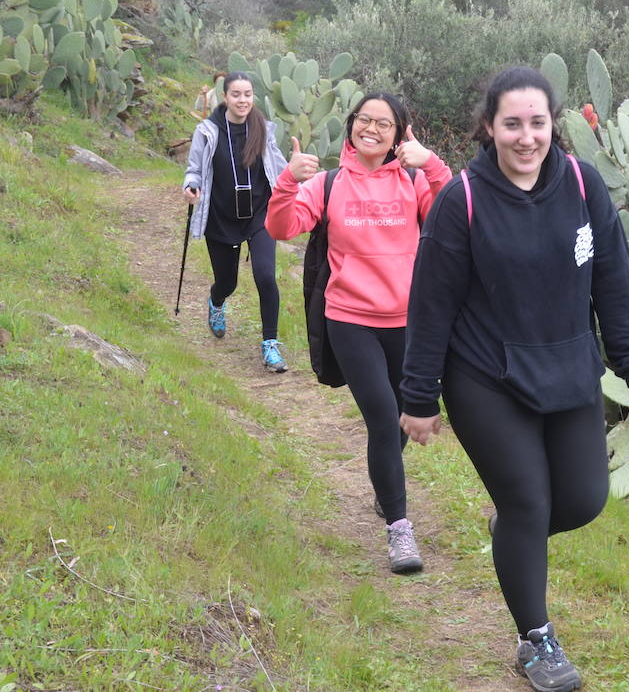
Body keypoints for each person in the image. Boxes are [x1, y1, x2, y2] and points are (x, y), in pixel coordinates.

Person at [398, 66, 629, 692]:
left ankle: (510, 530)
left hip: (567, 365)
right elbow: (430, 305)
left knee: (583, 498)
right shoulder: (462, 200)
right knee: (528, 500)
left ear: (552, 125)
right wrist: (418, 397)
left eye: (537, 123)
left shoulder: (581, 183)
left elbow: (614, 283)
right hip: (485, 375)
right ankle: (536, 642)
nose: (525, 137)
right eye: (511, 123)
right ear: (489, 127)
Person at [265, 92, 451, 574]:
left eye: (383, 123)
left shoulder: (412, 181)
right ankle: (399, 529)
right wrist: (288, 181)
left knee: (404, 419)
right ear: (350, 126)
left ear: (399, 134)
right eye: (364, 119)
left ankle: (385, 490)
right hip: (349, 319)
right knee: (385, 420)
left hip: (409, 322)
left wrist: (431, 164)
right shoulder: (327, 184)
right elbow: (282, 227)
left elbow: (454, 215)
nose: (371, 128)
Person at [182, 72, 290, 372]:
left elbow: (280, 169)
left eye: (248, 94)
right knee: (227, 282)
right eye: (236, 94)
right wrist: (191, 187)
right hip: (221, 216)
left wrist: (302, 188)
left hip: (259, 214)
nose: (243, 100)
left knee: (266, 277)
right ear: (225, 97)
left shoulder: (264, 130)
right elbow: (194, 169)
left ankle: (270, 345)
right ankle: (217, 302)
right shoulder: (207, 131)